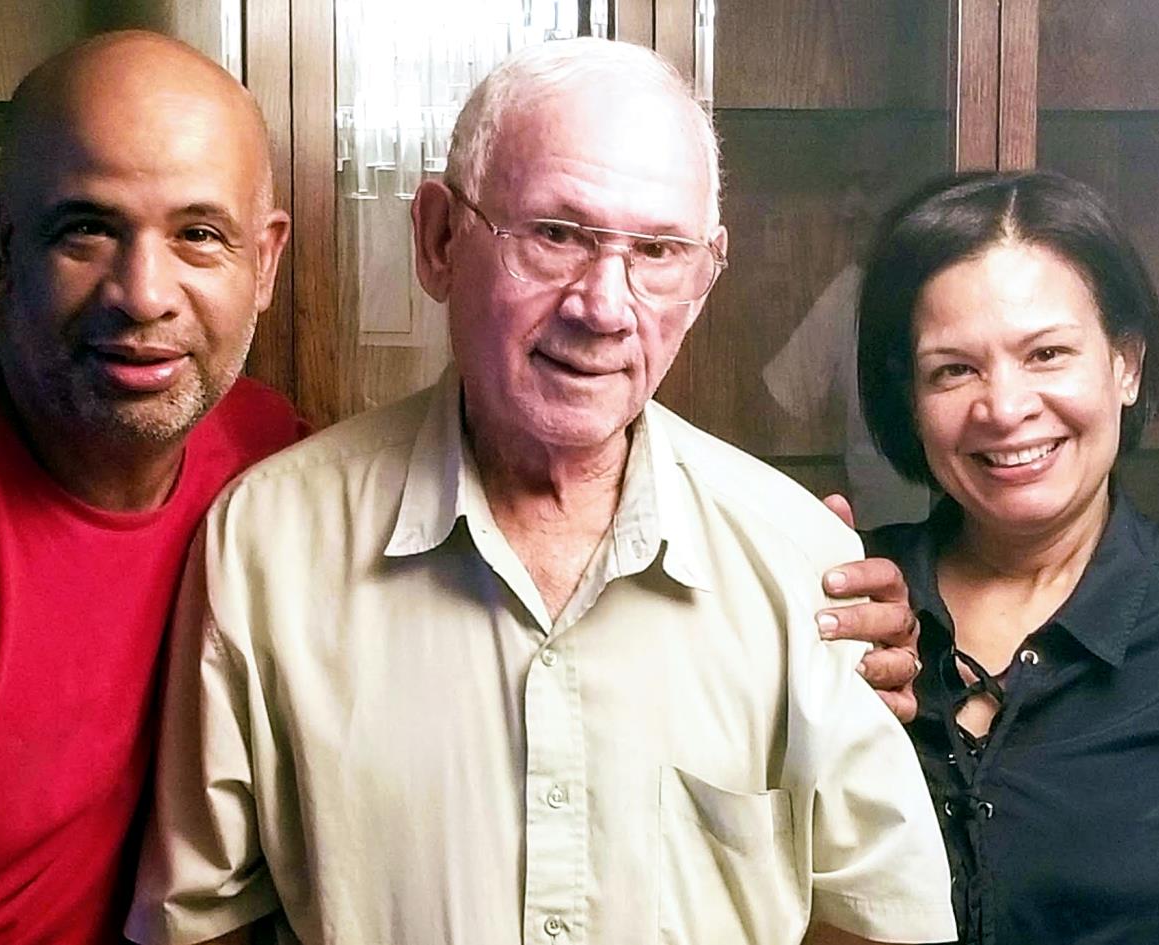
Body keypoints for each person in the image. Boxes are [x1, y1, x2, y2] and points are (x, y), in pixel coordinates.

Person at [127, 38, 955, 945]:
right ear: (439, 239)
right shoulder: (268, 544)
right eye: (556, 234)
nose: (605, 306)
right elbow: (207, 924)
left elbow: (873, 918)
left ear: (705, 276)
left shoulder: (806, 565)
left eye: (658, 250)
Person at [0, 31, 305, 945]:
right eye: (87, 228)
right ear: (6, 242)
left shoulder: (275, 464)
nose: (143, 294)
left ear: (266, 262)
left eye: (199, 235)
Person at [856, 170, 1159, 943]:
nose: (1005, 407)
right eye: (954, 369)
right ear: (910, 400)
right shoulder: (845, 603)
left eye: (1047, 353)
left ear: (1126, 364)